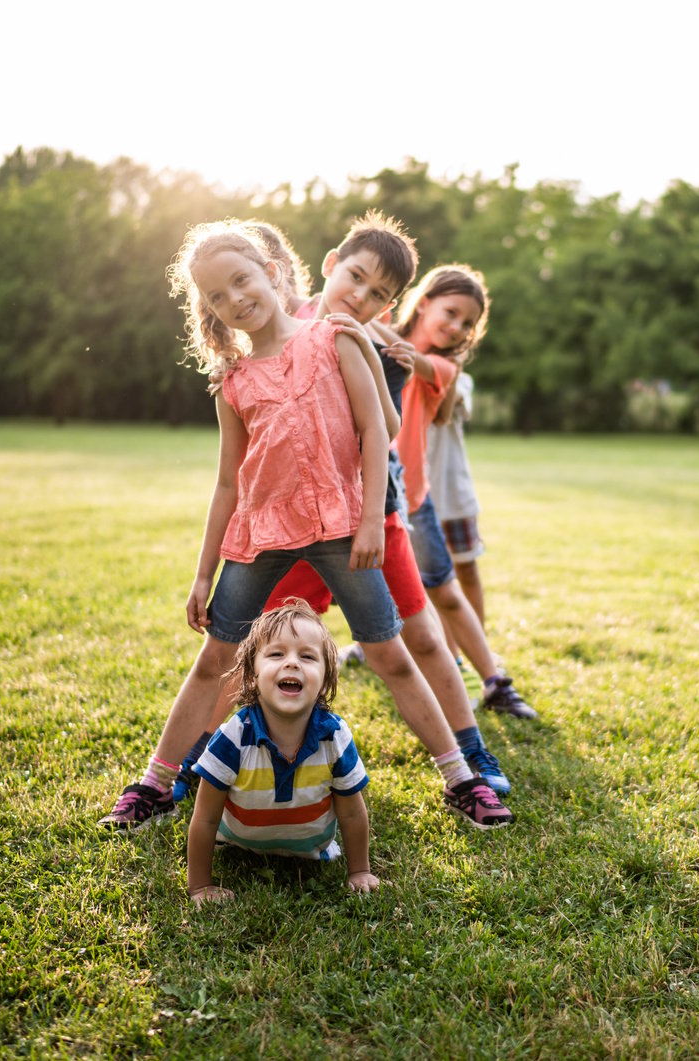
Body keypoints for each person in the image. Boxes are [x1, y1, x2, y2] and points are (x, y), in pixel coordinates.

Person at [100, 220, 510, 832]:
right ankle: (156, 785)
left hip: (344, 529)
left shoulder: (336, 337)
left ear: (273, 272)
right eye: (217, 296)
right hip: (260, 538)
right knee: (216, 660)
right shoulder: (232, 382)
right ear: (209, 311)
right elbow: (227, 485)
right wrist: (201, 575)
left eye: (242, 280)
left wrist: (372, 520)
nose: (235, 298)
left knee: (392, 655)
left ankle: (463, 778)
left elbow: (379, 430)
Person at [389, 265, 537, 720]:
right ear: (425, 300)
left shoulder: (445, 369)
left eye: (467, 323)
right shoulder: (377, 337)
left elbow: (413, 360)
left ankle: (495, 682)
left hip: (412, 497)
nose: (456, 327)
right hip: (361, 498)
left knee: (446, 591)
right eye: (451, 312)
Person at [187, 602, 377, 906]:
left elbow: (352, 812)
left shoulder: (334, 736)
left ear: (326, 680)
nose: (292, 663)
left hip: (313, 854)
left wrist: (360, 871)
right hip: (237, 844)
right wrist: (200, 886)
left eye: (307, 656)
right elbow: (206, 818)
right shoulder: (233, 737)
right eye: (276, 654)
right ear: (251, 676)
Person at [426, 369, 485, 637]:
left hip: (453, 496)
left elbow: (444, 409)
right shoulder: (399, 368)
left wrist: (455, 361)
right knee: (428, 581)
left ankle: (478, 641)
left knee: (466, 569)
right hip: (413, 497)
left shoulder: (459, 378)